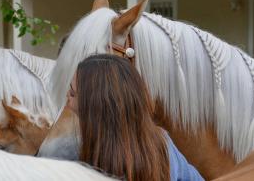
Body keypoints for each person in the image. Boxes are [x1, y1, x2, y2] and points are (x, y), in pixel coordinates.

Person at [67, 54, 204, 181]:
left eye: (72, 94)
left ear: (95, 105)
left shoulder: (78, 152)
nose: (67, 99)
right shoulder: (160, 141)